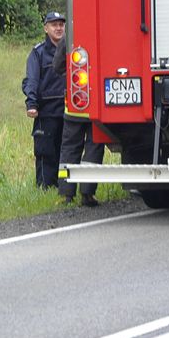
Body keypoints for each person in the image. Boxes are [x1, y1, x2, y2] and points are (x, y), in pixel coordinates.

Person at [53, 31, 105, 206]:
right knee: (94, 147)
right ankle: (87, 194)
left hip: (76, 104)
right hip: (97, 106)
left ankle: (66, 194)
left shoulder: (71, 35)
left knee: (69, 148)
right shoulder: (103, 31)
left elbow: (58, 66)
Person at [22, 12, 66, 189]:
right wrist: (31, 103)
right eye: (54, 25)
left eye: (61, 25)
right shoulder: (38, 53)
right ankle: (45, 189)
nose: (58, 28)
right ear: (46, 28)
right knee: (45, 151)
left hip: (67, 111)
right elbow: (31, 80)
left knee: (65, 152)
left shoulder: (72, 50)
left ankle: (65, 188)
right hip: (46, 112)